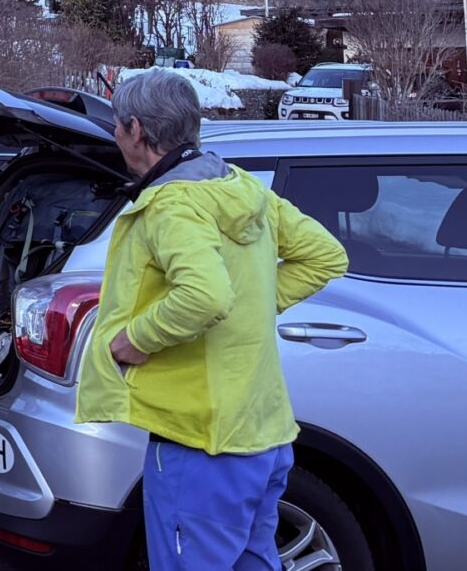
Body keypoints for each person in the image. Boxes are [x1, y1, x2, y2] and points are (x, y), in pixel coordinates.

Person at [75, 69, 349, 570]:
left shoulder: (171, 205)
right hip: (264, 434)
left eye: (116, 125)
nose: (114, 135)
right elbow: (326, 256)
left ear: (136, 129)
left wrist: (135, 339)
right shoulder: (242, 187)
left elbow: (205, 295)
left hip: (200, 443)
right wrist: (252, 302)